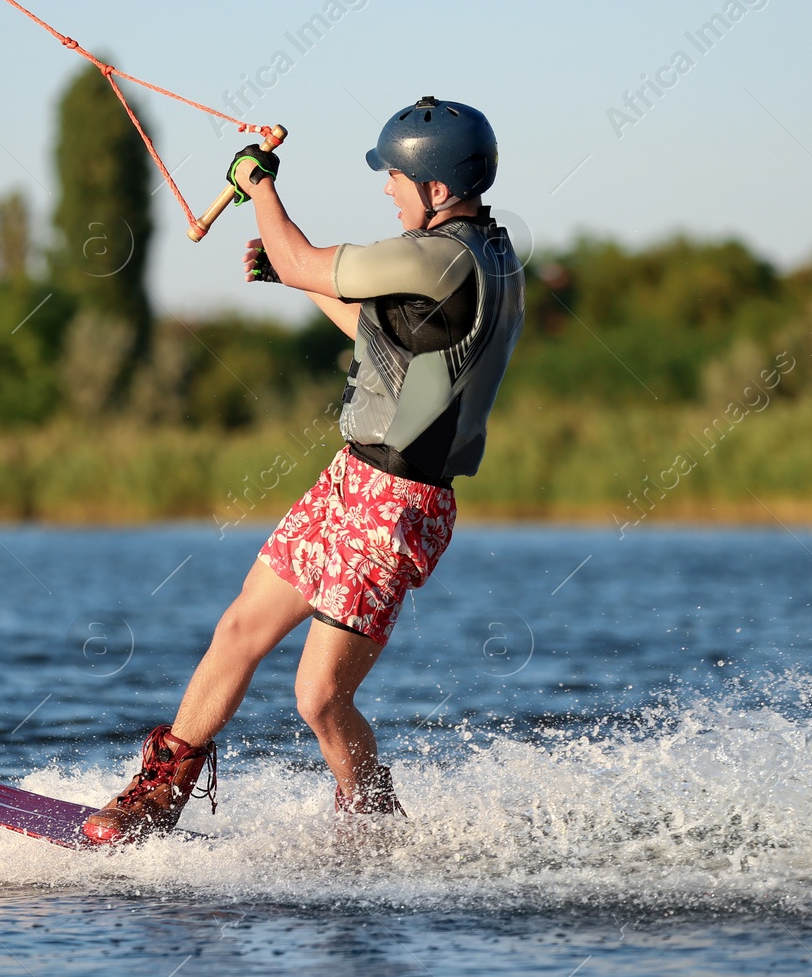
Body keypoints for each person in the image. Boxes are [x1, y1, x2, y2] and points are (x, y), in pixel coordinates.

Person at [82, 96, 525, 844]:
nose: (386, 188)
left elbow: (296, 251)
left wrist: (258, 185)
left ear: (438, 188)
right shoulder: (475, 255)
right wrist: (297, 281)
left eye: (394, 177)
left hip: (398, 503)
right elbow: (377, 335)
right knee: (240, 627)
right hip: (351, 478)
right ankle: (157, 796)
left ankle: (375, 824)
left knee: (319, 696)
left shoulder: (442, 255)